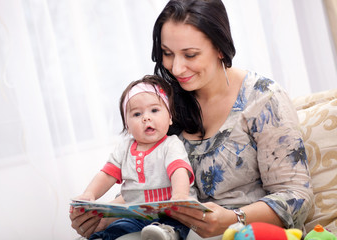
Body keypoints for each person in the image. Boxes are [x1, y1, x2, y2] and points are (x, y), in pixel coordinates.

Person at [70, 0, 313, 239]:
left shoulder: (262, 99)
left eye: (190, 54)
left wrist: (233, 218)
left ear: (219, 48)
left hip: (248, 232)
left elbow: (296, 196)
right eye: (167, 54)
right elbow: (152, 188)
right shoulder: (164, 103)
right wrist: (104, 216)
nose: (176, 68)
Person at [72, 75, 195, 240]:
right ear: (127, 126)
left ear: (170, 117)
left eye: (154, 110)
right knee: (119, 226)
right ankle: (102, 237)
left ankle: (166, 233)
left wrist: (180, 195)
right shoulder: (125, 148)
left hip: (171, 210)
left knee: (179, 222)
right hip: (136, 214)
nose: (146, 117)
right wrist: (89, 194)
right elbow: (107, 174)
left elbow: (179, 170)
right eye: (137, 114)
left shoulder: (171, 145)